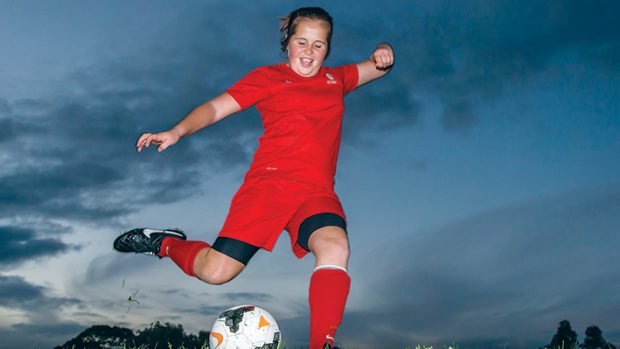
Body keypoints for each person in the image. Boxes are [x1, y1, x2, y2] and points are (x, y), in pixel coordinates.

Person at [113, 7, 394, 349]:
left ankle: (323, 344)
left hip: (316, 194)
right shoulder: (268, 78)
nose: (309, 51)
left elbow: (378, 67)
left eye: (319, 45)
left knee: (335, 246)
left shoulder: (336, 80)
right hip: (269, 187)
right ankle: (165, 243)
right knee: (215, 272)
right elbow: (216, 108)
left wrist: (383, 51)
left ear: (328, 49)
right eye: (301, 42)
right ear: (287, 42)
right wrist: (177, 131)